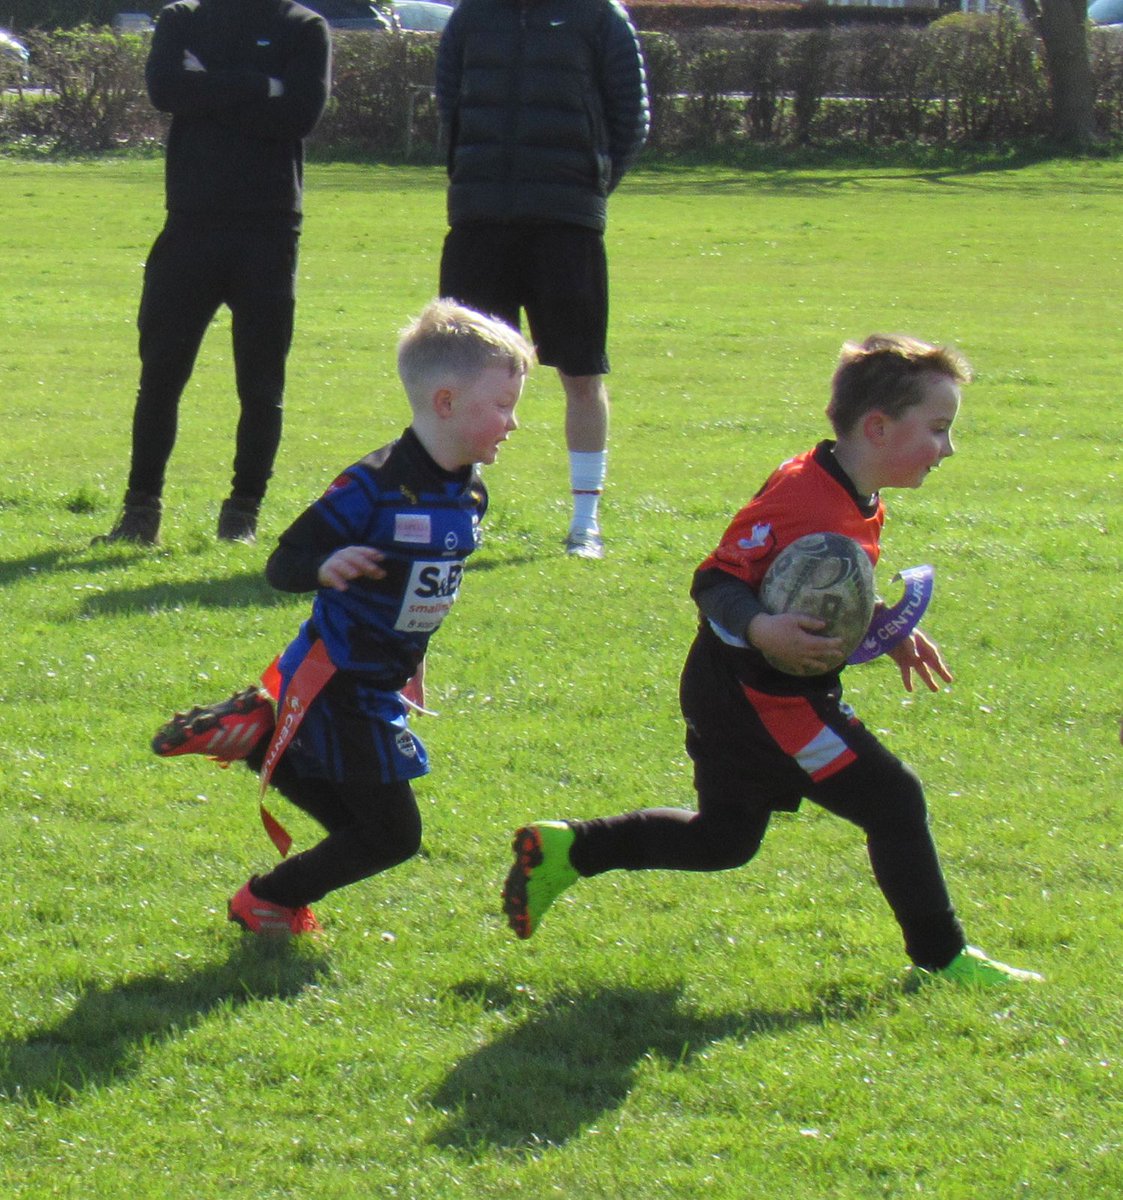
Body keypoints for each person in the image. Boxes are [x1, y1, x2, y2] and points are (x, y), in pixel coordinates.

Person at [502, 334, 1044, 988]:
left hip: (750, 695)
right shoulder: (803, 494)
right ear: (877, 426)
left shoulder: (855, 493)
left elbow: (812, 587)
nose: (948, 447)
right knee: (892, 800)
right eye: (937, 428)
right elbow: (714, 581)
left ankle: (567, 849)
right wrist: (761, 629)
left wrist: (883, 626)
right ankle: (942, 958)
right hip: (760, 701)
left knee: (722, 841)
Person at [151, 301, 536, 934]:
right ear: (444, 402)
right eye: (501, 405)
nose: (513, 422)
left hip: (376, 677)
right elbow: (283, 564)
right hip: (337, 678)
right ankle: (266, 900)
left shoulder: (470, 491)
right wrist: (326, 563)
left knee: (362, 828)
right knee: (391, 837)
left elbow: (423, 584)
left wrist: (412, 656)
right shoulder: (371, 484)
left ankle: (259, 737)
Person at [95, 0, 332, 547]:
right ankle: (140, 512)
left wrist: (211, 89)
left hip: (270, 228)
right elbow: (165, 91)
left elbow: (299, 116)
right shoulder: (184, 18)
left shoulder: (303, 27)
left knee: (260, 381)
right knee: (160, 376)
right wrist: (262, 85)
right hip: (191, 223)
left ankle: (242, 513)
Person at [434, 0, 650, 560]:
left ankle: (585, 524)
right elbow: (449, 106)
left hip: (567, 224)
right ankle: (453, 512)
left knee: (581, 373)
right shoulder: (472, 17)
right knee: (460, 372)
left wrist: (587, 186)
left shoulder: (599, 16)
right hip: (479, 219)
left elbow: (631, 117)